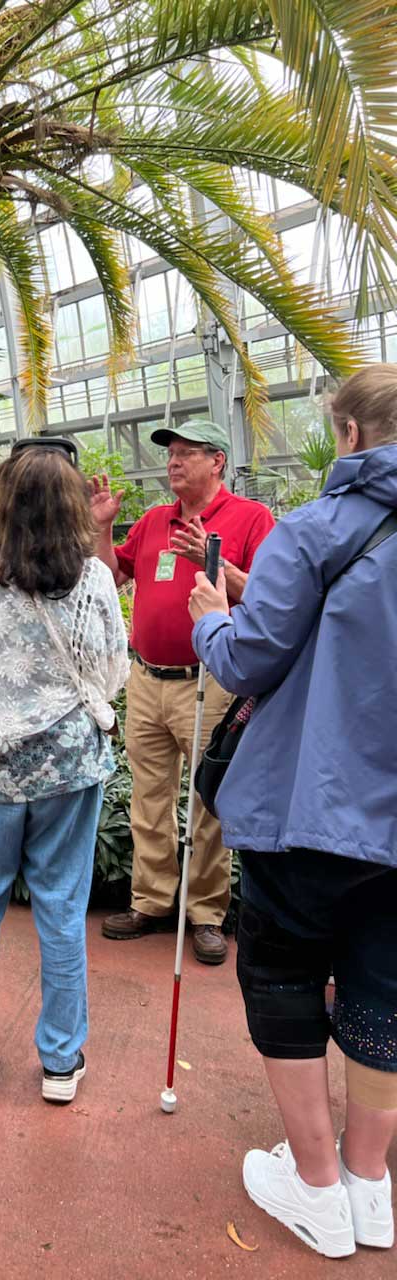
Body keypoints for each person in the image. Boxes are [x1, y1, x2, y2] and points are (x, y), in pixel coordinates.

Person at [188, 365, 397, 1259]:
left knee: (280, 975)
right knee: (386, 990)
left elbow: (248, 661)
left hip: (310, 806)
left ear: (349, 435)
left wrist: (209, 616)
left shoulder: (315, 530)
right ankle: (370, 1184)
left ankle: (315, 1187)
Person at [0, 441, 129, 1100]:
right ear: (73, 504)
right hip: (72, 767)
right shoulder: (95, 577)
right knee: (63, 910)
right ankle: (61, 1062)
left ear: (2, 501)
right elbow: (112, 674)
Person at [91, 419, 275, 964]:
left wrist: (212, 564)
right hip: (147, 679)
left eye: (186, 453)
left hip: (212, 681)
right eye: (170, 454)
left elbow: (269, 597)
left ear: (216, 461)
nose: (173, 462)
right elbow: (110, 580)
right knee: (149, 798)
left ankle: (206, 914)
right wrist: (102, 530)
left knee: (207, 801)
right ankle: (150, 901)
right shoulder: (153, 521)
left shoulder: (250, 518)